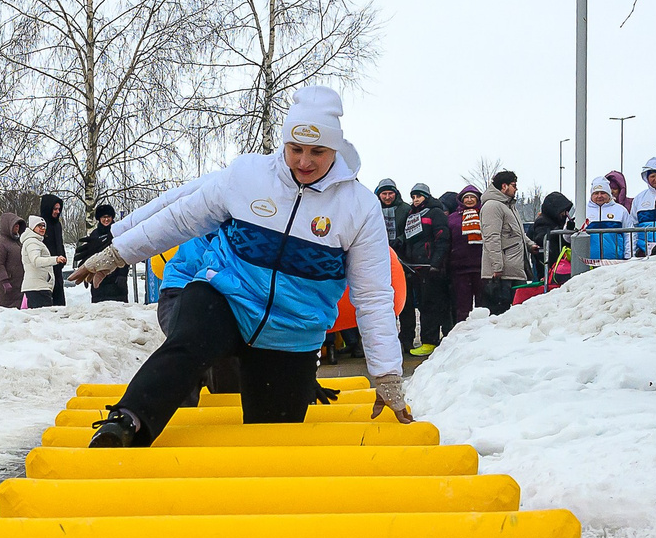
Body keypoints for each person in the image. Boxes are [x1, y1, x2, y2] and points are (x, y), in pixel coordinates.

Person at [65, 86, 409, 440]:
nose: (304, 162)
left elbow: (373, 296)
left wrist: (386, 374)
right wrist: (117, 252)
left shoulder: (359, 207)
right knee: (190, 338)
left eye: (317, 152)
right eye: (296, 149)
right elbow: (180, 215)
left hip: (292, 330)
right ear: (284, 144)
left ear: (335, 149)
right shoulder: (248, 176)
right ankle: (127, 421)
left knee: (270, 435)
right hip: (226, 296)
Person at [397, 184, 449, 353]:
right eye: (413, 197)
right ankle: (428, 339)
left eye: (418, 196)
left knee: (430, 305)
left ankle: (430, 341)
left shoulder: (436, 213)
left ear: (426, 196)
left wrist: (436, 263)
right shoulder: (412, 214)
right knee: (422, 304)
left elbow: (442, 238)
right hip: (415, 267)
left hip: (430, 266)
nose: (415, 200)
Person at [479, 169, 531, 315]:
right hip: (501, 274)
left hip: (514, 270)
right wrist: (497, 266)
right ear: (504, 186)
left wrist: (530, 244)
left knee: (516, 315)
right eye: (514, 185)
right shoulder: (492, 206)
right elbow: (491, 237)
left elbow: (518, 233)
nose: (516, 189)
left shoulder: (509, 206)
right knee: (500, 316)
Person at [443, 184, 486, 331]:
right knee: (462, 305)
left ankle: (482, 331)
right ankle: (462, 332)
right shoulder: (453, 218)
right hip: (459, 267)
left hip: (481, 266)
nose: (469, 200)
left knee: (482, 303)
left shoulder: (484, 215)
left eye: (472, 197)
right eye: (466, 197)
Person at [72, 203, 130, 302]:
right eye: (104, 217)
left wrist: (123, 274)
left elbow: (125, 254)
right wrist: (87, 271)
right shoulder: (94, 234)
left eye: (109, 217)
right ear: (99, 218)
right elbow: (89, 255)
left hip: (117, 281)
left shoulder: (117, 232)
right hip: (99, 282)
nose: (106, 219)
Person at [578, 179, 634, 264]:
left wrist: (629, 256)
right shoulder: (582, 211)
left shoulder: (620, 210)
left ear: (609, 194)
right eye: (596, 193)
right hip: (587, 262)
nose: (599, 196)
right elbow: (568, 237)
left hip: (615, 262)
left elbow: (629, 235)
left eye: (603, 193)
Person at [19, 215, 56, 307]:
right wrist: (55, 259)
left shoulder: (35, 241)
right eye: (39, 226)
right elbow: (36, 261)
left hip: (38, 286)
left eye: (44, 226)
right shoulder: (32, 242)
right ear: (32, 227)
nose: (42, 228)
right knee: (43, 318)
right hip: (37, 288)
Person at [38, 193, 68, 303]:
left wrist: (63, 256)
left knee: (59, 301)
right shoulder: (40, 224)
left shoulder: (57, 224)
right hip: (45, 269)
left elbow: (60, 243)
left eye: (59, 209)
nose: (57, 212)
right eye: (55, 209)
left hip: (57, 268)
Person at [0, 210, 23, 306]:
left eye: (18, 224)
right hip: (7, 291)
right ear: (7, 225)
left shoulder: (16, 242)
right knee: (8, 317)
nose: (17, 226)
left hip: (19, 287)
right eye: (14, 224)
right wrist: (5, 281)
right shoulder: (0, 243)